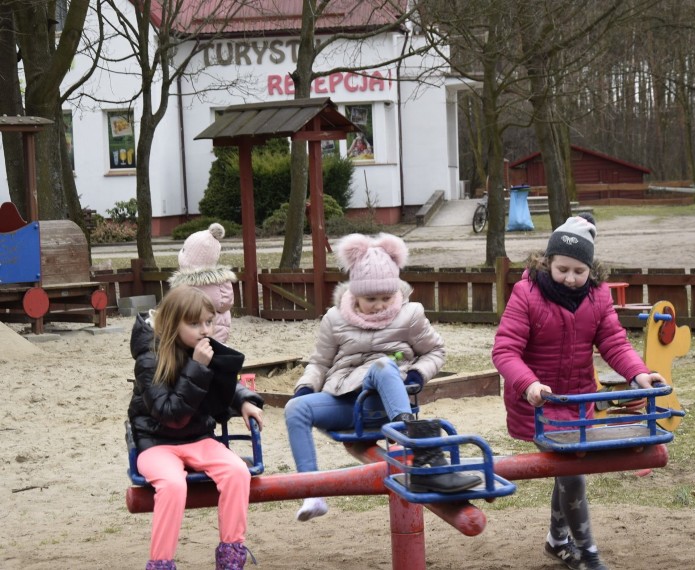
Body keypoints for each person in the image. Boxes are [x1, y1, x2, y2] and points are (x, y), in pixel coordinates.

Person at [492, 214, 666, 570]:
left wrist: (640, 374)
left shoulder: (598, 297)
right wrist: (529, 385)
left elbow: (615, 343)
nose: (570, 279)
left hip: (579, 401)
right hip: (540, 404)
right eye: (562, 269)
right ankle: (586, 552)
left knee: (568, 468)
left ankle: (557, 541)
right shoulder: (527, 293)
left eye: (579, 271)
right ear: (547, 262)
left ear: (591, 270)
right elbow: (505, 350)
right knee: (571, 469)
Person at [285, 233, 481, 522]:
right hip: (348, 403)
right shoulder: (335, 319)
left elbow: (436, 351)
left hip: (386, 403)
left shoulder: (409, 315)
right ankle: (311, 491)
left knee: (383, 365)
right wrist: (305, 388)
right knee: (294, 409)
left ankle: (412, 449)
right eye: (370, 299)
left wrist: (417, 373)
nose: (378, 305)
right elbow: (319, 362)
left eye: (386, 298)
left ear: (396, 292)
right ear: (354, 294)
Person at [128, 286, 264, 570]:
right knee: (173, 485)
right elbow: (169, 414)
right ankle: (161, 562)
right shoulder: (149, 359)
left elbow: (222, 385)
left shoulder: (202, 349)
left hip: (198, 438)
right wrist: (198, 367)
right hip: (156, 442)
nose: (204, 330)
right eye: (194, 323)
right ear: (171, 324)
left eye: (208, 322)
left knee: (237, 471)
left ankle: (230, 556)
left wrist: (243, 401)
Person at [168, 222, 237, 343]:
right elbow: (226, 304)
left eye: (184, 250)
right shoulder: (221, 283)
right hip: (219, 335)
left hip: (193, 338)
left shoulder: (186, 286)